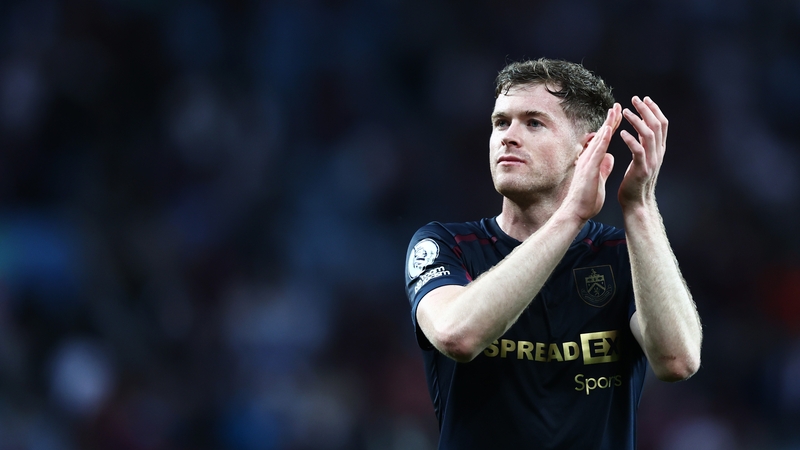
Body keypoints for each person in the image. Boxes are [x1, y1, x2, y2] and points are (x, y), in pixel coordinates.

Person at [403, 58, 703, 449]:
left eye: (533, 123)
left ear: (587, 151)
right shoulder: (444, 245)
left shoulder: (622, 255)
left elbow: (677, 361)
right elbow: (456, 334)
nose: (508, 137)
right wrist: (571, 217)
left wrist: (640, 205)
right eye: (500, 122)